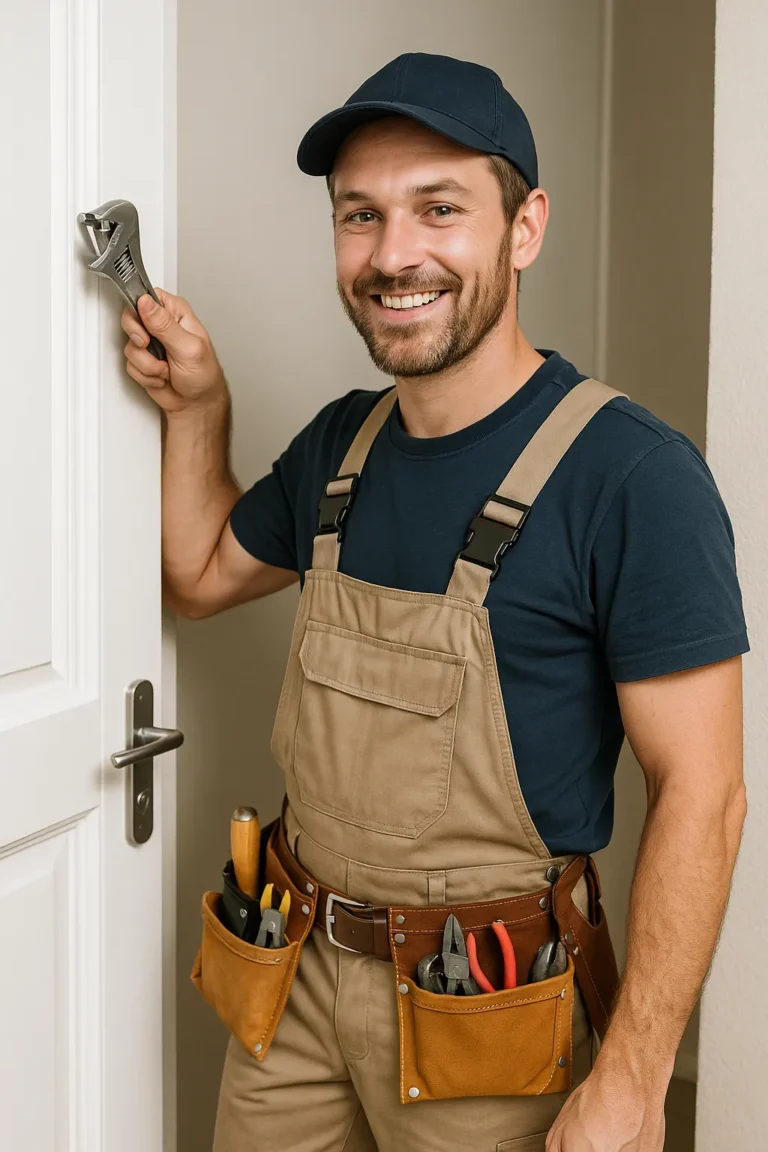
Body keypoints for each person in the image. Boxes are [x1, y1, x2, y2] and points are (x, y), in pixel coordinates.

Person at [122, 52, 748, 1152]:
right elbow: (202, 574)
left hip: (492, 1020)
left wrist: (638, 1080)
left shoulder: (632, 475)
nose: (393, 253)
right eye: (359, 215)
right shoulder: (341, 445)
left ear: (526, 226)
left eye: (440, 208)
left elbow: (705, 793)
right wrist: (199, 407)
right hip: (295, 987)